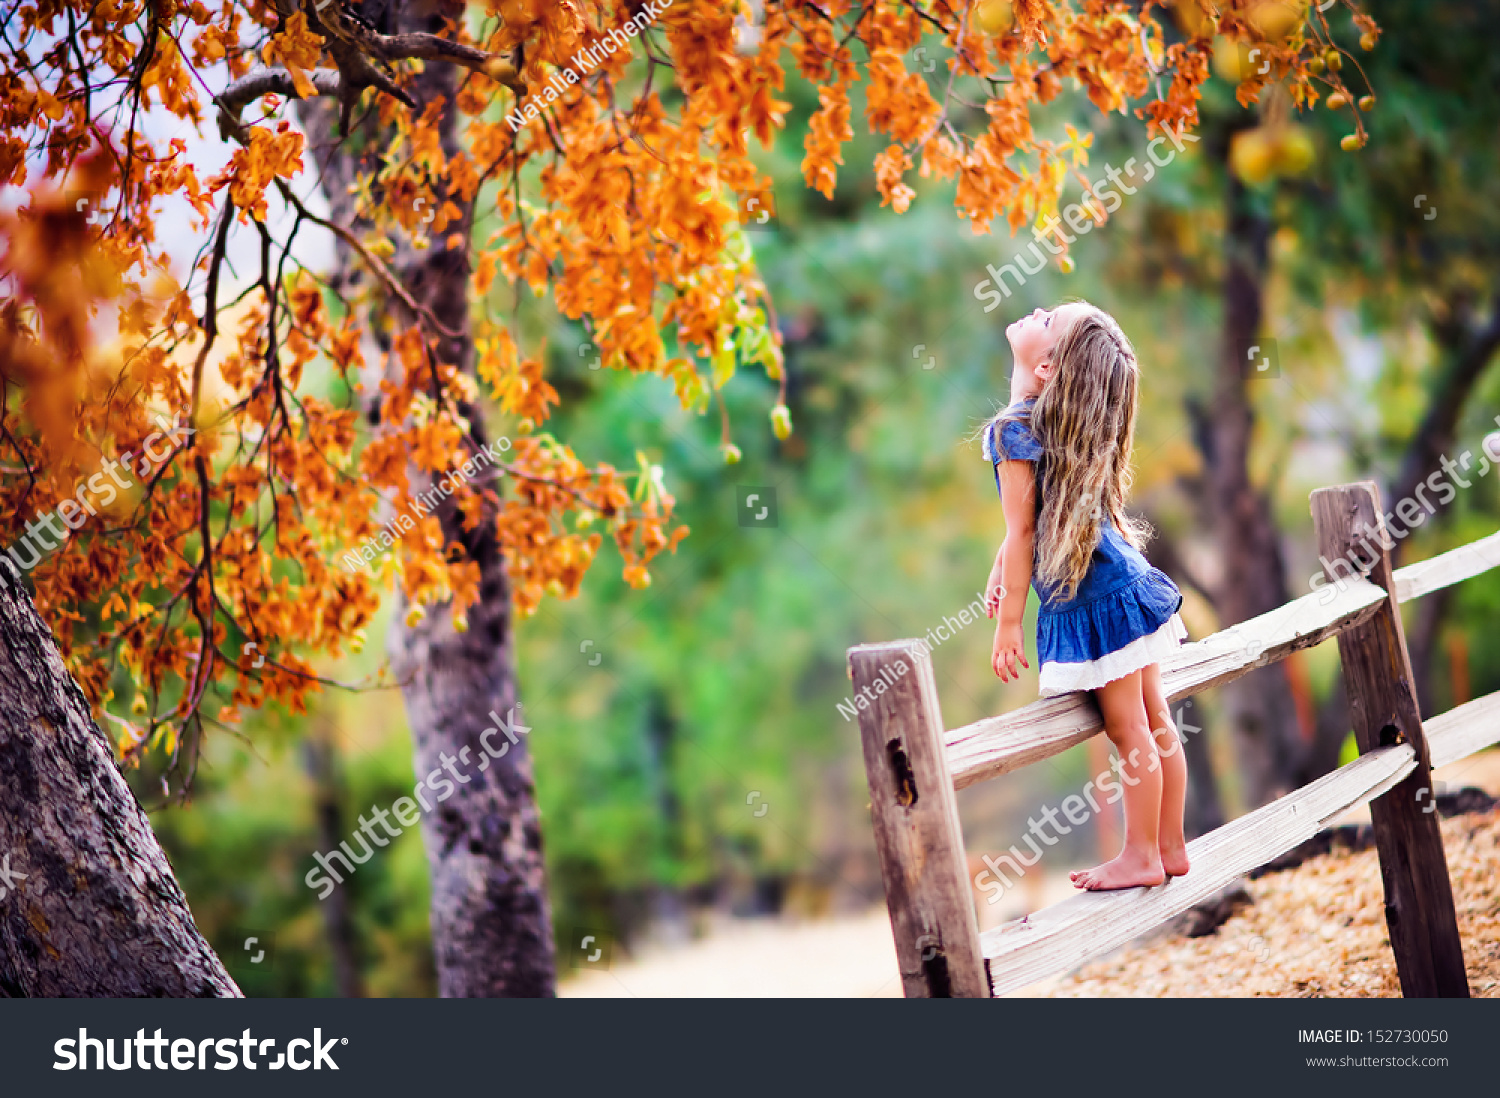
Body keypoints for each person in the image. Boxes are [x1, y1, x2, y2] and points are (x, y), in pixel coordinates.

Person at [980, 301, 1190, 891]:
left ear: (1047, 369)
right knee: (1155, 719)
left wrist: (1010, 622)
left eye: (1050, 320)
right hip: (1125, 582)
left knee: (1129, 731)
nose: (1038, 309)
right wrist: (1002, 565)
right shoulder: (1056, 425)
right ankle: (1171, 845)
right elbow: (1032, 522)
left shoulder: (1013, 433)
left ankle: (1142, 855)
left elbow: (1023, 532)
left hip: (1096, 593)